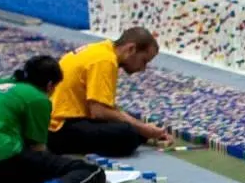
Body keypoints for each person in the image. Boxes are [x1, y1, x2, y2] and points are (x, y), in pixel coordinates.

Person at [47, 27, 168, 159]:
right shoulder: (105, 61)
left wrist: (142, 127)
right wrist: (143, 129)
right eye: (144, 61)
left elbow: (104, 107)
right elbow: (99, 112)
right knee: (128, 135)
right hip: (59, 128)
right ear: (131, 49)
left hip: (56, 120)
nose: (143, 68)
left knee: (130, 125)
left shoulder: (102, 48)